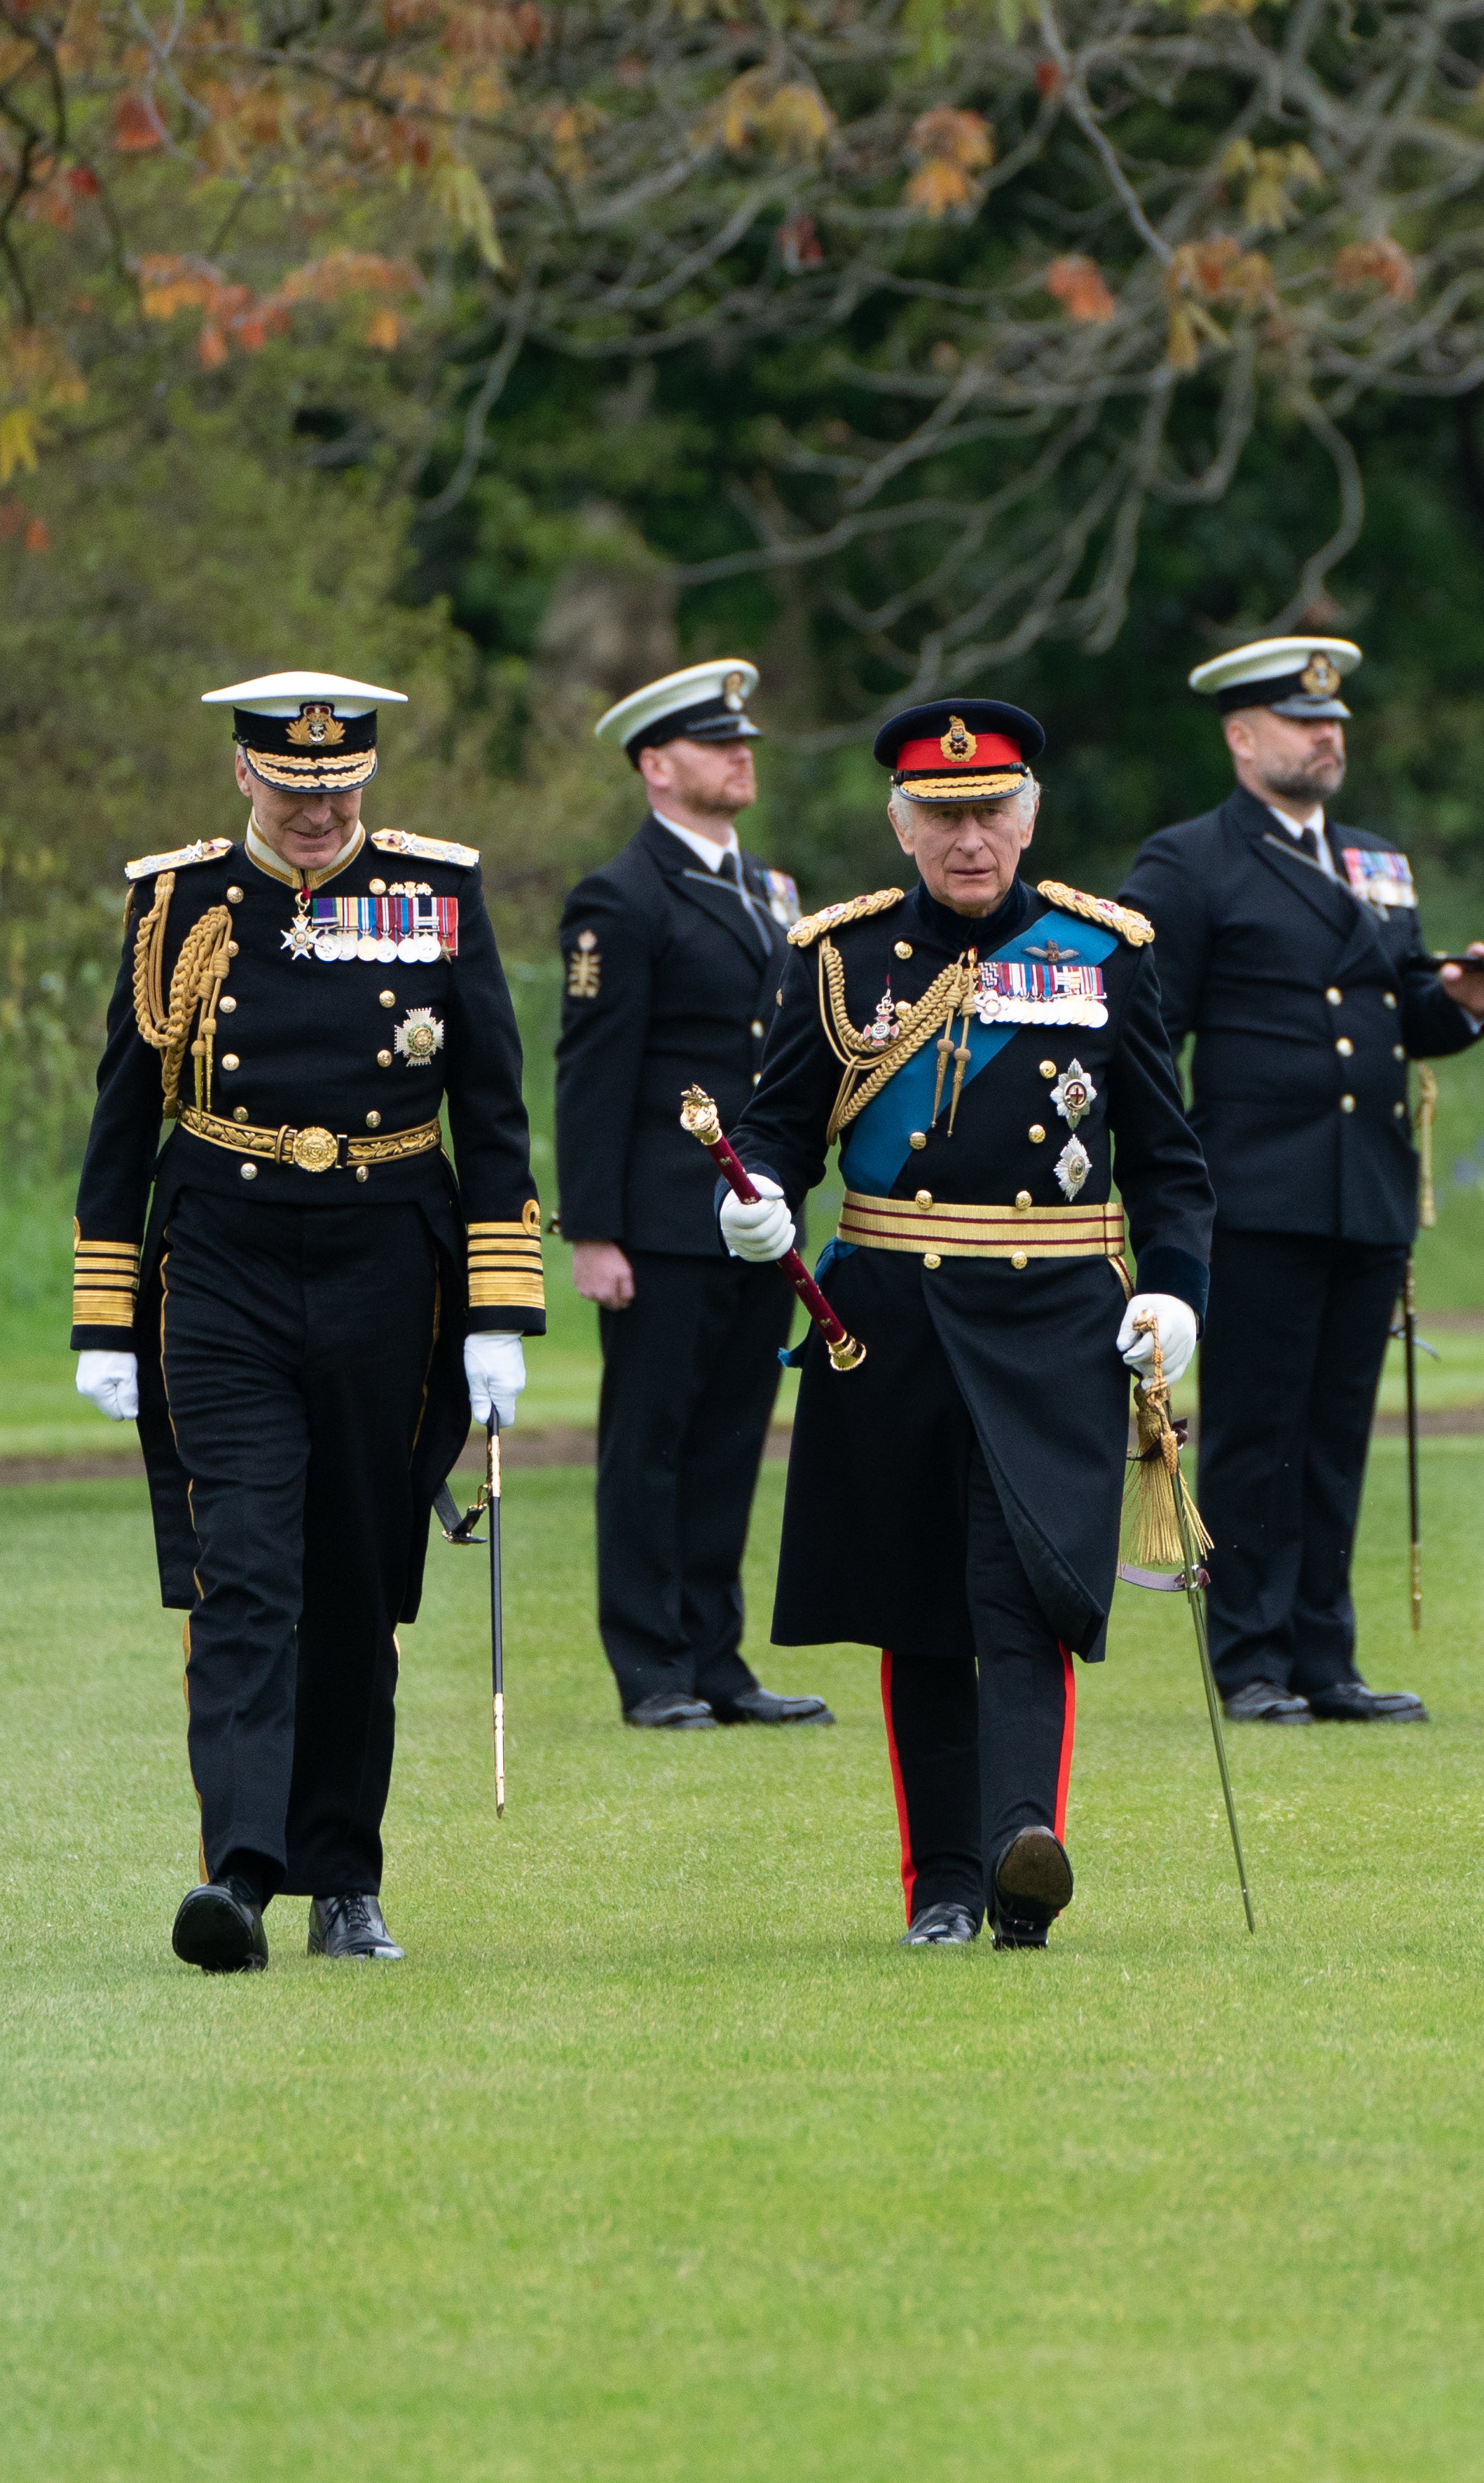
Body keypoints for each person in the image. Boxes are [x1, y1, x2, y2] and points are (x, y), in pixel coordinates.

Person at [70, 671, 544, 1971]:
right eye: (293, 785)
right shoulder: (176, 903)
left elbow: (494, 1108)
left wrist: (501, 1308)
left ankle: (346, 1878)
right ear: (244, 778)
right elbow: (123, 1117)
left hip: (391, 1261)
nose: (320, 809)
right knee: (247, 1570)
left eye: (340, 786)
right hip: (220, 1254)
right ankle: (239, 1871)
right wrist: (104, 1316)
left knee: (349, 1576)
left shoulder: (437, 892)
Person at [720, 699, 1214, 1947]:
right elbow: (775, 1126)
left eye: (991, 810)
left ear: (1031, 813)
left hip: (1054, 1321)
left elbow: (1168, 1160)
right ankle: (941, 1883)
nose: (969, 838)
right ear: (900, 823)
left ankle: (1017, 1858)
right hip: (887, 1318)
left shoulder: (1104, 953)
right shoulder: (838, 959)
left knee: (1026, 1591)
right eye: (941, 816)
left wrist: (1176, 1291)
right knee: (920, 1607)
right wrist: (756, 1200)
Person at [1113, 638, 1484, 1726]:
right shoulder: (1190, 864)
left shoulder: (1374, 862)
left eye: (1333, 723)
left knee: (1335, 1438)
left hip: (1362, 1192)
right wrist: (1169, 1178)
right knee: (1252, 1434)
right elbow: (1144, 1033)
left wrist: (1464, 1005)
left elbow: (1395, 1010)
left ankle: (1326, 1658)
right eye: (1301, 723)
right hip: (1256, 1193)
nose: (1327, 738)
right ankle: (1249, 1659)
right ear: (1243, 739)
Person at [554, 657, 834, 1731]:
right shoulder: (619, 899)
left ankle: (718, 1658)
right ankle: (652, 1666)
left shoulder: (767, 889)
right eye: (718, 744)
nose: (741, 756)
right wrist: (594, 1231)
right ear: (656, 766)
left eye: (745, 741)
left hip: (754, 1219)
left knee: (728, 1440)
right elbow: (593, 1072)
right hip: (665, 1219)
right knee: (650, 1443)